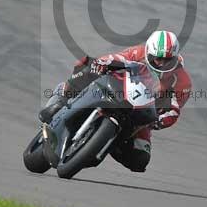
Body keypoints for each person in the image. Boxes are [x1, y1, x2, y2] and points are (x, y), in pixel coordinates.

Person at [39, 30, 192, 173]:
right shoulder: (138, 52)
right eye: (158, 58)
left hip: (143, 115)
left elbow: (174, 111)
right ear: (148, 52)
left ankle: (108, 143)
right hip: (119, 91)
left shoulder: (182, 82)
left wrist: (157, 121)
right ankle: (60, 97)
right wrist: (102, 63)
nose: (161, 64)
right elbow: (116, 58)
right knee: (88, 66)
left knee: (140, 160)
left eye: (167, 60)